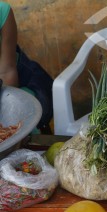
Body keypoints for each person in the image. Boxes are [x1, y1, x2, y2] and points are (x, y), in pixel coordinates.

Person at [0, 2, 54, 134]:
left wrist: (4, 124)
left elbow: (7, 71)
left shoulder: (2, 11)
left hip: (16, 85)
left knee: (22, 124)